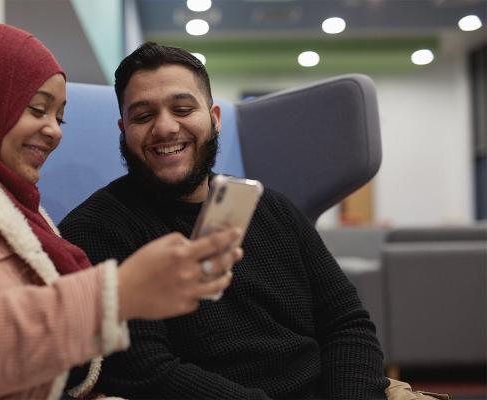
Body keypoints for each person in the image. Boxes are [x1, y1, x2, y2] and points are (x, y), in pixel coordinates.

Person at [0, 26, 242, 399]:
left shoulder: (22, 212)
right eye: (37, 109)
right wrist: (116, 293)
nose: (54, 131)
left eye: (60, 117)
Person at [59, 42, 391, 399]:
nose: (166, 127)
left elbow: (346, 322)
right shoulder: (93, 231)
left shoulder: (272, 209)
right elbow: (144, 371)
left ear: (214, 118)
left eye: (183, 108)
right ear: (124, 130)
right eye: (143, 116)